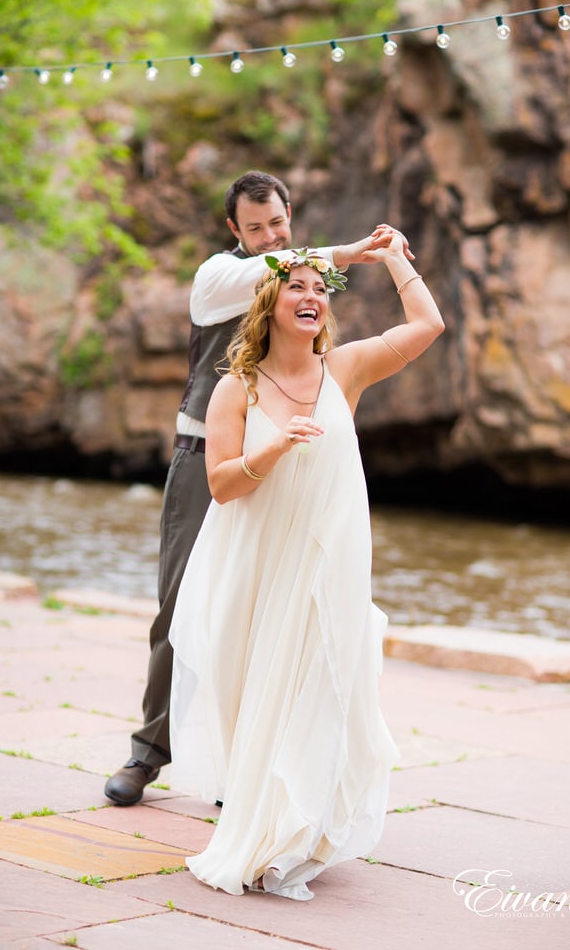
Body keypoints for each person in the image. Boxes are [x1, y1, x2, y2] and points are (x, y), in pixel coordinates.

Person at [104, 171, 414, 805]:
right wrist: (349, 253)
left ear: (289, 214)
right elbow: (266, 271)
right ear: (234, 232)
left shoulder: (304, 287)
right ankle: (148, 751)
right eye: (255, 228)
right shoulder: (218, 278)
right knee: (179, 604)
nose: (270, 236)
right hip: (205, 459)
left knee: (272, 612)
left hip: (289, 463)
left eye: (278, 223)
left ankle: (245, 767)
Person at [168, 231, 445, 900]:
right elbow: (225, 484)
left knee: (323, 685)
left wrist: (393, 260)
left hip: (329, 567)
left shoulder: (344, 369)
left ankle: (305, 830)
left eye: (321, 289)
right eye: (299, 286)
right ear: (269, 303)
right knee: (261, 698)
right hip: (259, 569)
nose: (313, 296)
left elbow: (428, 324)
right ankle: (262, 827)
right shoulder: (237, 389)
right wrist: (275, 450)